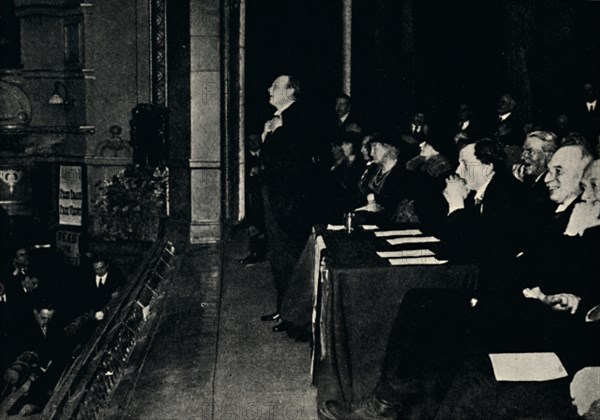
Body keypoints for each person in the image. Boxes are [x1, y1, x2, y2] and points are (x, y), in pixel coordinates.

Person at [258, 75, 317, 333]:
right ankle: (285, 309)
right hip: (276, 195)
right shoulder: (279, 119)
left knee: (292, 256)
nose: (269, 89)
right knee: (279, 255)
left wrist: (274, 133)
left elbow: (287, 157)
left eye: (275, 86)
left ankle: (299, 319)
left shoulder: (299, 117)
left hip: (291, 201)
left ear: (291, 90)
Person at [239, 134, 266, 266]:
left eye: (256, 140)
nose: (254, 143)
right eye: (250, 140)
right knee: (254, 226)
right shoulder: (244, 160)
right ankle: (254, 253)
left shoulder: (266, 156)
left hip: (266, 197)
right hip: (252, 198)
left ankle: (262, 254)